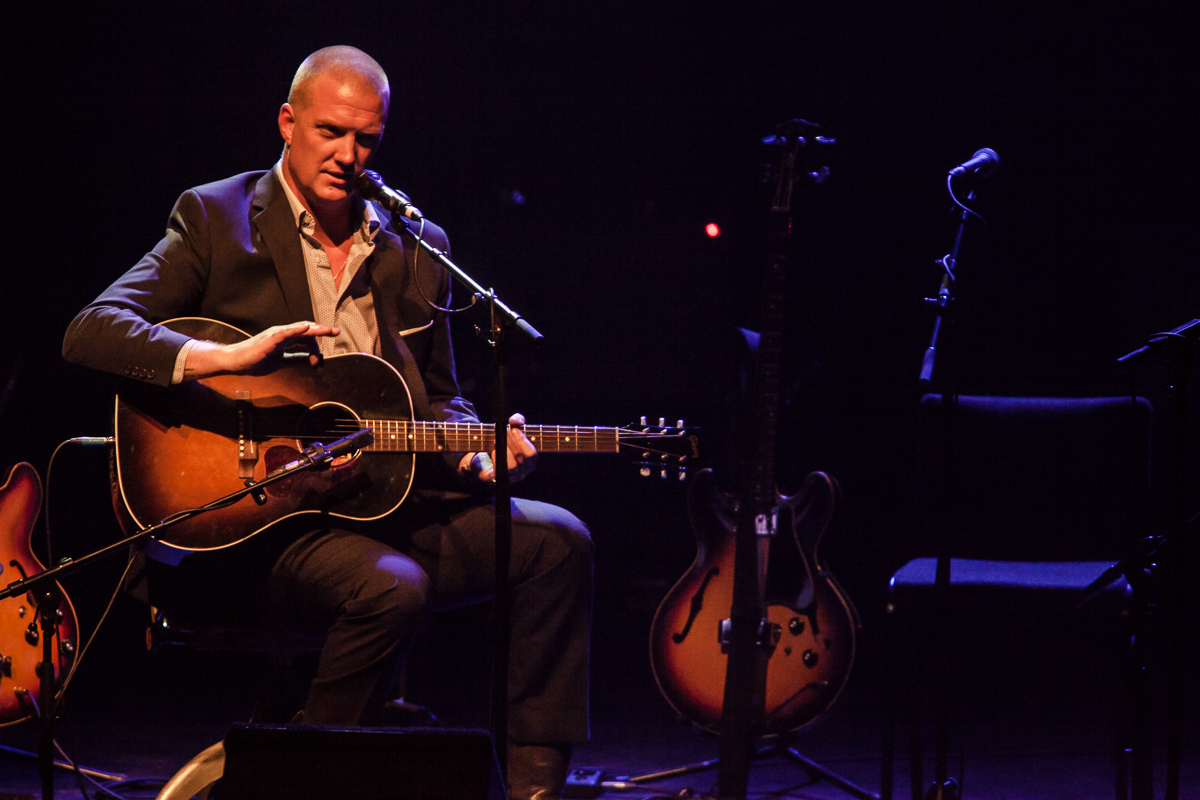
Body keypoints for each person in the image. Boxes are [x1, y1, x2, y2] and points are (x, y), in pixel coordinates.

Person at [62, 46, 590, 800]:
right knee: (392, 589)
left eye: (366, 138)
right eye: (330, 131)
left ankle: (536, 790)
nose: (348, 154)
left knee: (558, 543)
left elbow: (440, 402)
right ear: (288, 122)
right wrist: (225, 356)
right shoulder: (217, 217)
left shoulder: (416, 245)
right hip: (261, 525)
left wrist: (479, 460)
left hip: (383, 504)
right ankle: (300, 781)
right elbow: (92, 329)